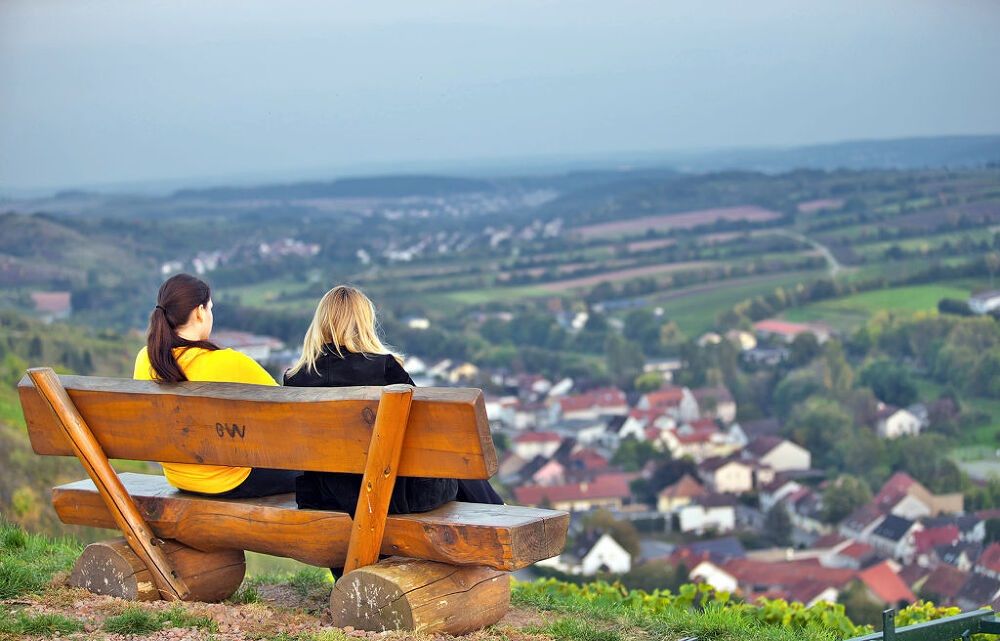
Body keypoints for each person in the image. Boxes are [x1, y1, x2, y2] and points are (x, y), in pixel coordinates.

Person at [283, 285, 504, 514]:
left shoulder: (294, 379)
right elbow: (427, 430)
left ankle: (497, 508)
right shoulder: (384, 368)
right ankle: (498, 510)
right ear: (364, 323)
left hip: (320, 497)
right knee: (452, 454)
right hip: (392, 497)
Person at [134, 273, 300, 498]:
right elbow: (293, 409)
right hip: (231, 479)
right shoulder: (229, 363)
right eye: (210, 308)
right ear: (200, 312)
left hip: (180, 477)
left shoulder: (145, 358)